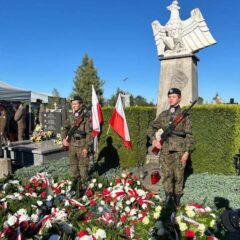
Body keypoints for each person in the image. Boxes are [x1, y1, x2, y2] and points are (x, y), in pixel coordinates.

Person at [147, 88, 193, 207]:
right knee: (167, 173)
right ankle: (168, 195)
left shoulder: (184, 115)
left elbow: (189, 135)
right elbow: (151, 127)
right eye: (170, 96)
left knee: (179, 174)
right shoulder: (163, 115)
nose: (171, 99)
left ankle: (177, 196)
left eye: (174, 96)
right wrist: (154, 141)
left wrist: (186, 152)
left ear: (179, 98)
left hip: (179, 150)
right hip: (165, 149)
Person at [61, 96, 92, 189]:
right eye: (72, 104)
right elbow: (64, 128)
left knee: (83, 167)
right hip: (72, 144)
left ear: (80, 104)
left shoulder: (86, 117)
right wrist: (64, 139)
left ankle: (85, 187)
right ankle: (76, 185)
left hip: (82, 144)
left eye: (75, 104)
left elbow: (89, 134)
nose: (73, 106)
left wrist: (86, 147)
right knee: (73, 166)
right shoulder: (71, 116)